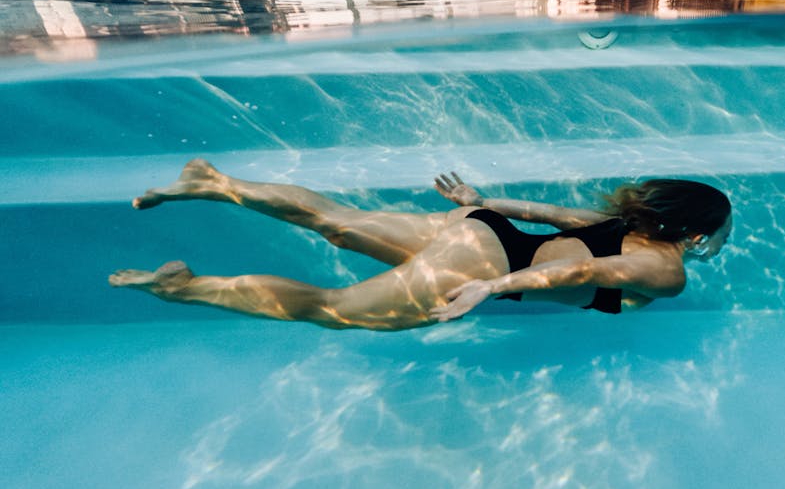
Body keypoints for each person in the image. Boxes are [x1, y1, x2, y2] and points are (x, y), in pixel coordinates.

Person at [109, 159, 732, 332]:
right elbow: (578, 274)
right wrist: (491, 286)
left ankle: (214, 183)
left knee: (337, 219)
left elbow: (545, 212)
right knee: (333, 308)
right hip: (490, 262)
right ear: (695, 231)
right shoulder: (664, 268)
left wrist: (477, 199)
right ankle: (182, 288)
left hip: (483, 228)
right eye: (716, 235)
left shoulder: (628, 223)